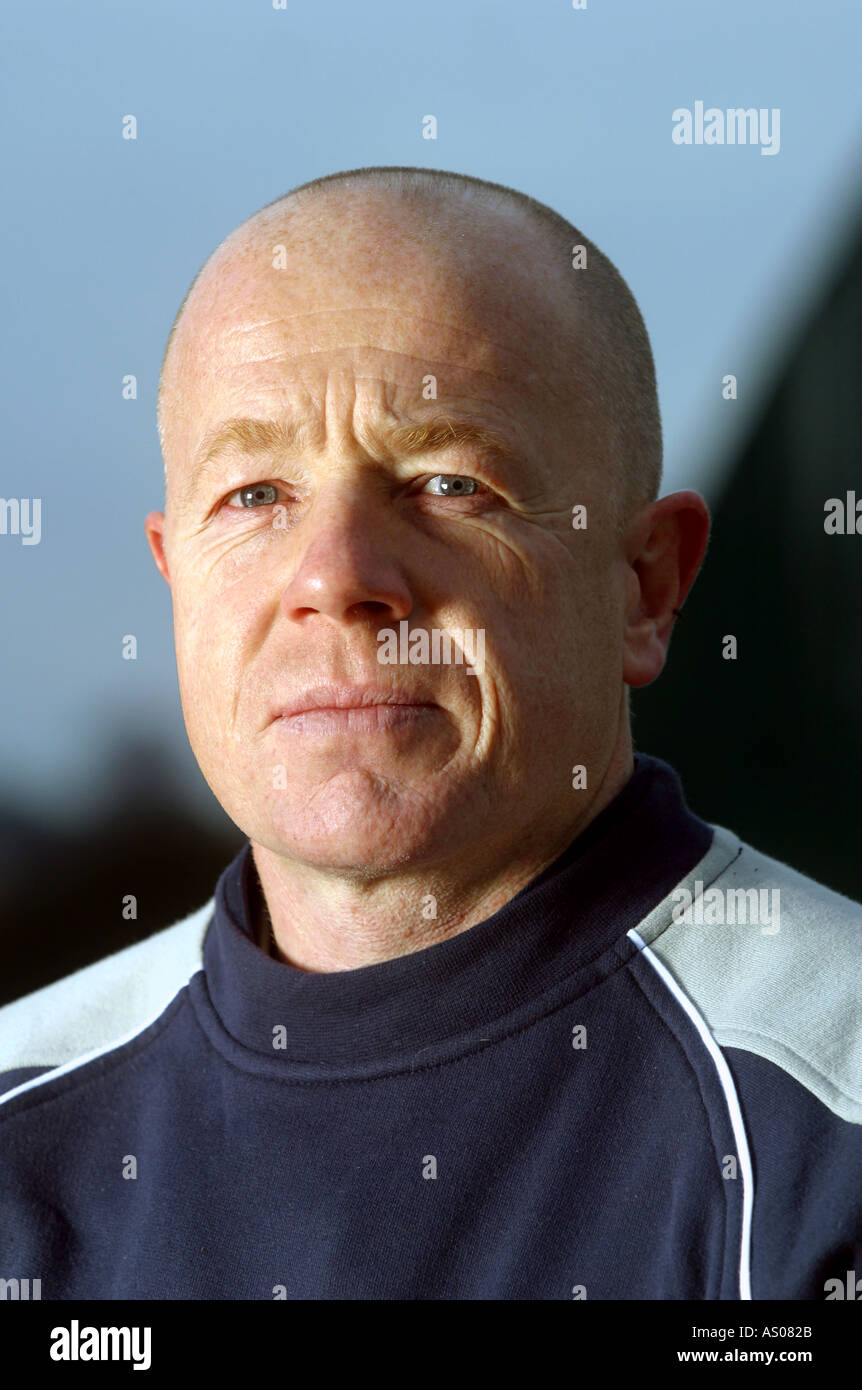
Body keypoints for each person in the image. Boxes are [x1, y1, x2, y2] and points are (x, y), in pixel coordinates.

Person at [1, 167, 859, 1300]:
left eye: (449, 481)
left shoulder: (830, 1124)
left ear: (645, 587)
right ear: (173, 576)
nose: (335, 577)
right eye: (255, 495)